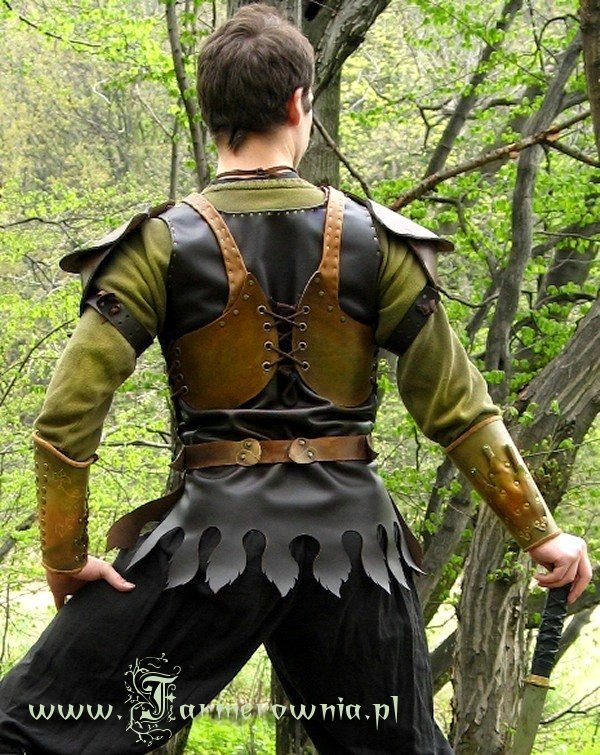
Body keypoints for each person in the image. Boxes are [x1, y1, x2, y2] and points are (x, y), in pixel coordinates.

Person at [0, 4, 591, 754]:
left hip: (210, 548)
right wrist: (542, 534)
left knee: (31, 732)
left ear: (211, 113)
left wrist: (63, 556)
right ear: (297, 104)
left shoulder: (156, 245)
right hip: (357, 554)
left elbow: (65, 418)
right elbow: (459, 410)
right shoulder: (379, 241)